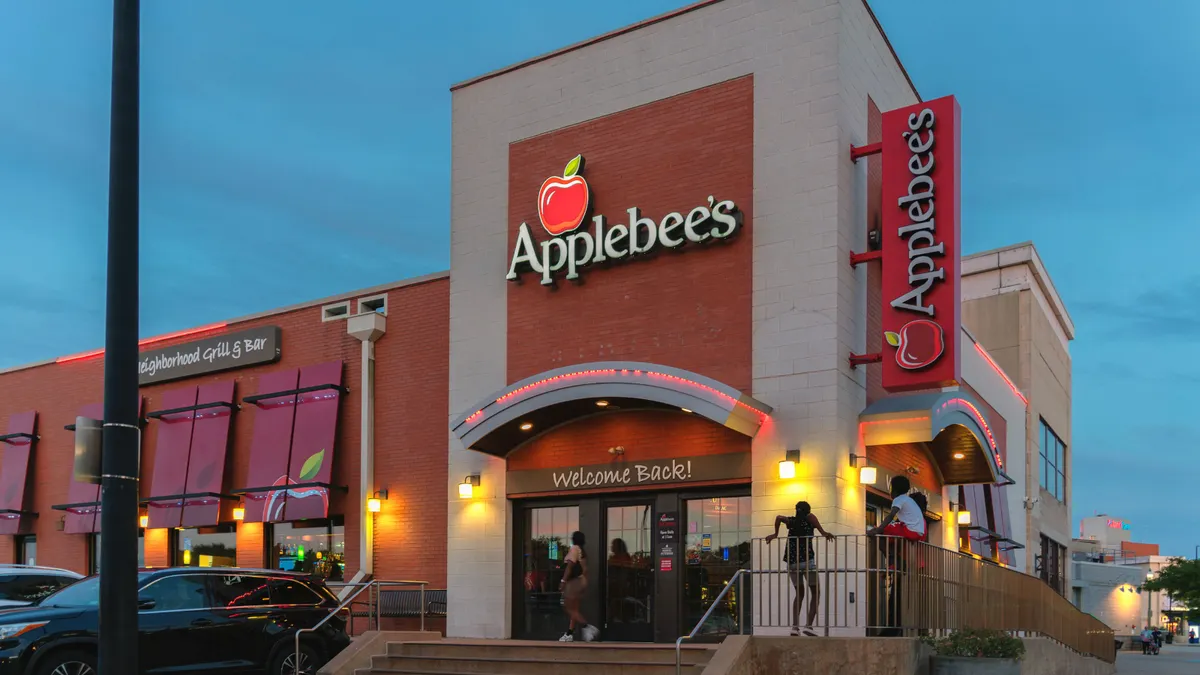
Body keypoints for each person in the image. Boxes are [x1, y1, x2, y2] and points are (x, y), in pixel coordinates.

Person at [765, 501, 835, 636]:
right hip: (807, 562)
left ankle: (795, 627)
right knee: (815, 592)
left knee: (800, 593)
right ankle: (808, 625)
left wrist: (775, 534)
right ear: (807, 510)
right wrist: (823, 532)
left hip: (792, 563)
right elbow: (814, 520)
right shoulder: (809, 518)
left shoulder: (791, 521)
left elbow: (779, 517)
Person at [559, 531, 598, 642]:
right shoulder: (582, 551)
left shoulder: (574, 549)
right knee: (575, 609)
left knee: (568, 607)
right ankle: (569, 633)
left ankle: (587, 627)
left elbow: (570, 566)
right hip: (582, 581)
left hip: (574, 582)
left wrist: (563, 581)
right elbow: (586, 570)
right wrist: (584, 585)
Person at [866, 476, 926, 544]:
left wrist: (878, 529)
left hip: (911, 531)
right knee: (890, 529)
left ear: (894, 490)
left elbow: (891, 516)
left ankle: (889, 553)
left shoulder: (898, 499)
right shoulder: (909, 500)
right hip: (919, 533)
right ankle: (892, 552)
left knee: (883, 531)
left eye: (890, 487)